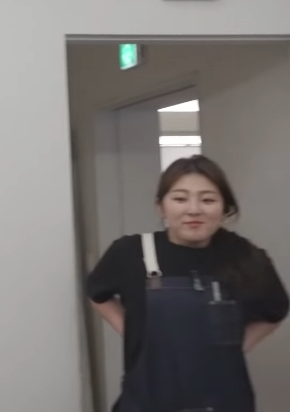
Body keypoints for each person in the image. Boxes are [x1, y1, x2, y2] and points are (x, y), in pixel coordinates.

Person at [86, 154, 289, 412]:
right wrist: (134, 332)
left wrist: (235, 348)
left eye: (208, 200)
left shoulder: (245, 256)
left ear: (224, 208)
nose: (194, 210)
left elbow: (275, 312)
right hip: (146, 402)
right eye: (180, 199)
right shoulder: (130, 252)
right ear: (161, 206)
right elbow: (97, 294)